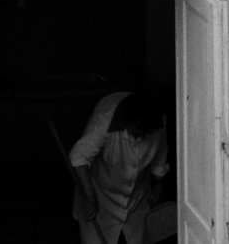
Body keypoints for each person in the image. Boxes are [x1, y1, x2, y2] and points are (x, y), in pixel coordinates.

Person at [67, 91, 170, 244]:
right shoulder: (105, 117)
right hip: (101, 196)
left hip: (137, 197)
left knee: (139, 239)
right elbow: (78, 156)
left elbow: (160, 155)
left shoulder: (157, 118)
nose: (142, 137)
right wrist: (91, 197)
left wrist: (158, 188)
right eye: (138, 131)